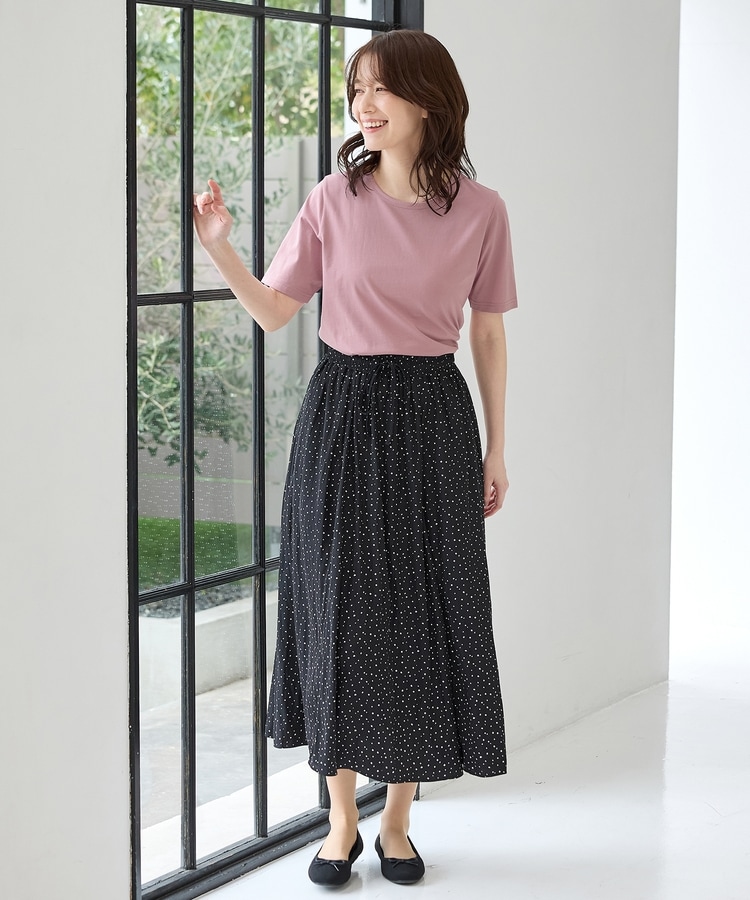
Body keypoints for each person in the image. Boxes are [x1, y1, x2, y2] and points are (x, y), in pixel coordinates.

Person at [193, 28, 517, 887]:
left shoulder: (482, 211)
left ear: (427, 100)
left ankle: (397, 820)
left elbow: (488, 333)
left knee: (421, 615)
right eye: (356, 91)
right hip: (341, 416)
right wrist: (220, 245)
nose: (363, 107)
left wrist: (497, 447)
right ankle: (341, 820)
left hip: (434, 418)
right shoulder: (334, 199)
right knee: (334, 610)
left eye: (380, 89)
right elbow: (276, 310)